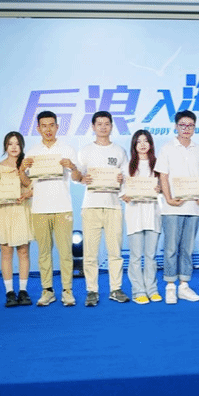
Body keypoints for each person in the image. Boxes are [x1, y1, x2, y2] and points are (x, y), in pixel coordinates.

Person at [24, 111, 81, 306]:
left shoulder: (67, 149)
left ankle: (67, 291)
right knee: (44, 253)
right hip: (39, 208)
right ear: (38, 128)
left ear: (57, 127)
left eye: (51, 125)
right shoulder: (32, 152)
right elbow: (26, 182)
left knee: (65, 252)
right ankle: (47, 290)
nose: (48, 129)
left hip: (63, 207)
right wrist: (22, 169)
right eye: (44, 126)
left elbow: (77, 179)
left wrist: (73, 167)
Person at [76, 111, 129, 306]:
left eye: (107, 124)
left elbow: (126, 177)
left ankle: (116, 288)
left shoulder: (119, 151)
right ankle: (92, 290)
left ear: (111, 126)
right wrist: (83, 178)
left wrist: (122, 179)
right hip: (91, 206)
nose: (103, 127)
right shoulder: (85, 151)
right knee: (90, 253)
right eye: (99, 124)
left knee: (115, 252)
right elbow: (77, 176)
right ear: (93, 127)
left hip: (113, 206)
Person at [155, 110, 199, 304]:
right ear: (176, 126)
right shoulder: (167, 148)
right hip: (172, 207)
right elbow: (163, 176)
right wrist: (168, 198)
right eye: (182, 125)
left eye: (190, 125)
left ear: (194, 127)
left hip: (193, 207)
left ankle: (184, 285)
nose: (186, 129)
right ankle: (170, 285)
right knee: (170, 248)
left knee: (187, 248)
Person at [0, 132, 34, 307]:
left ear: (22, 146)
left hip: (21, 211)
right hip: (3, 212)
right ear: (5, 146)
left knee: (23, 252)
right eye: (10, 143)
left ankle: (23, 290)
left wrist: (26, 190)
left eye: (17, 144)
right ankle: (9, 292)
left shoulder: (28, 165)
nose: (14, 147)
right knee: (6, 253)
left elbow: (32, 187)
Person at [123, 130, 161, 305]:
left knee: (151, 256)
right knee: (136, 256)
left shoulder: (158, 165)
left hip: (153, 214)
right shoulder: (127, 166)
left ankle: (152, 289)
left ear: (151, 144)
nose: (143, 144)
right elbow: (122, 190)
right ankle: (138, 290)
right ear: (134, 145)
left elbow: (165, 188)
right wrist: (125, 195)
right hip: (134, 214)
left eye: (146, 141)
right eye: (139, 141)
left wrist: (160, 189)